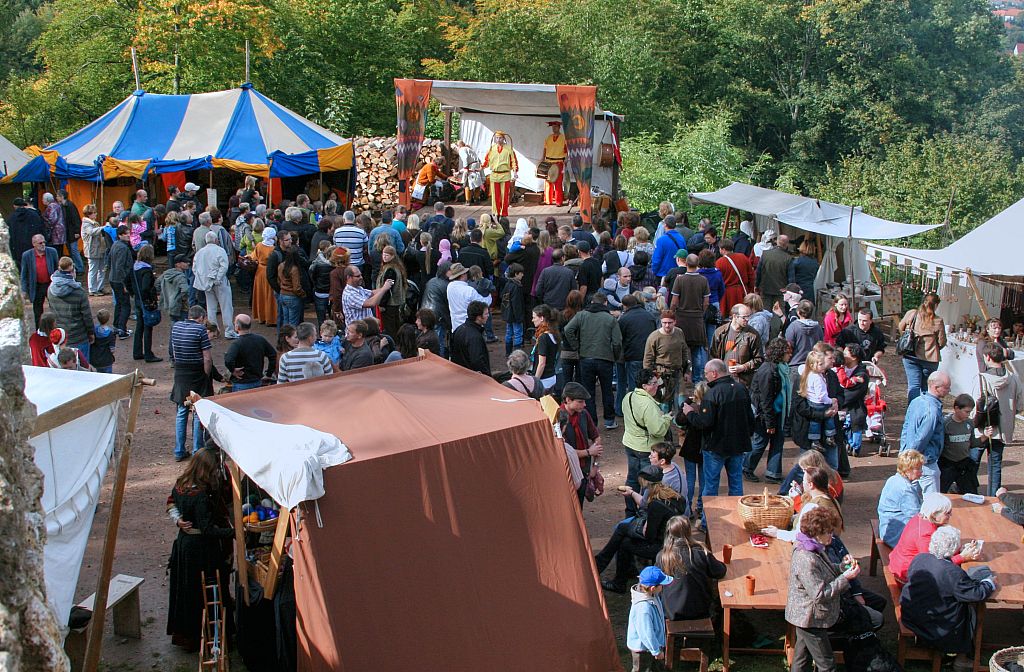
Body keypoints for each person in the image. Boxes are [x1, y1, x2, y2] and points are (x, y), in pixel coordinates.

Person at [900, 526, 996, 669]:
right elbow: (976, 594)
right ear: (954, 549)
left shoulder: (920, 558)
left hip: (911, 615)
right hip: (936, 626)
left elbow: (941, 567)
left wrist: (960, 554)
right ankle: (961, 659)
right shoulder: (953, 573)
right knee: (970, 610)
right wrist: (990, 583)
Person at [166, 449, 233, 652]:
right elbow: (207, 530)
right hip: (201, 551)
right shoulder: (201, 495)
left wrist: (178, 519)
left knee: (186, 591)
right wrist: (233, 532)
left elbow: (170, 503)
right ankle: (205, 637)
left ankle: (188, 636)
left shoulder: (181, 484)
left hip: (184, 546)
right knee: (204, 593)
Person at [786, 506, 860, 672]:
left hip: (807, 617)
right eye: (828, 532)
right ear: (816, 533)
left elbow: (824, 570)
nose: (831, 535)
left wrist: (842, 567)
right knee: (827, 665)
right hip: (810, 618)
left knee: (801, 659)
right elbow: (820, 594)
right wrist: (845, 578)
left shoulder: (814, 547)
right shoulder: (806, 557)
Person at [595, 466, 685, 593]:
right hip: (672, 540)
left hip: (662, 546)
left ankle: (614, 578)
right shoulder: (675, 496)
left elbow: (649, 536)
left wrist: (643, 528)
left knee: (624, 540)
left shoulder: (656, 504)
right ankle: (617, 573)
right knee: (623, 532)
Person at [681, 359, 754, 497]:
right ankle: (735, 517)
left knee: (711, 486)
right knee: (736, 484)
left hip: (716, 448)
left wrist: (689, 413)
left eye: (706, 373)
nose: (705, 376)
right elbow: (750, 417)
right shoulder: (741, 389)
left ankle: (707, 518)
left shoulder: (712, 394)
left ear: (714, 373)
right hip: (738, 446)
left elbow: (704, 422)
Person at [888, 493, 980, 583]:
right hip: (906, 575)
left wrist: (959, 548)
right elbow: (933, 566)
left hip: (901, 564)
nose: (950, 515)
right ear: (934, 515)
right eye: (947, 513)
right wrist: (962, 557)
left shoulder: (920, 517)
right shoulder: (925, 534)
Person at [970, 342, 1024, 495]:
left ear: (987, 357)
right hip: (1003, 429)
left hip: (983, 429)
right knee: (995, 465)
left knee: (972, 462)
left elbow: (976, 404)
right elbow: (1020, 403)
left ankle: (970, 492)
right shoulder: (1013, 378)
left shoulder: (981, 378)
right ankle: (994, 498)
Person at [564, 293, 622, 429]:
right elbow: (617, 342)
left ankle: (591, 422)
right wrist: (614, 355)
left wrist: (577, 346)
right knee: (607, 390)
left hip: (586, 358)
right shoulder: (610, 319)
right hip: (605, 359)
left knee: (588, 391)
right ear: (605, 303)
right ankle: (609, 420)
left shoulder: (582, 315)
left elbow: (568, 330)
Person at [656, 516, 726, 621]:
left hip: (671, 611)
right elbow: (720, 571)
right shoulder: (700, 553)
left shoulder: (663, 556)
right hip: (699, 610)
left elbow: (657, 581)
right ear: (688, 532)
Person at [622, 369, 674, 506]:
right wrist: (667, 419)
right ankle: (646, 510)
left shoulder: (628, 396)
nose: (657, 386)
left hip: (630, 444)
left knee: (632, 479)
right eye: (653, 383)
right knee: (648, 482)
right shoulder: (648, 404)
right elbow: (657, 430)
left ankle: (631, 511)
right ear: (644, 386)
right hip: (646, 449)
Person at [746, 338, 793, 484]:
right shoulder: (768, 371)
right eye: (787, 352)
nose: (790, 355)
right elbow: (765, 400)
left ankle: (773, 473)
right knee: (760, 443)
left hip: (777, 413)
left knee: (778, 442)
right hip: (764, 415)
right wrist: (769, 423)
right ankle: (747, 467)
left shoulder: (781, 368)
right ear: (780, 353)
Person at [170, 306, 213, 461]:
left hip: (181, 372)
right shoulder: (200, 330)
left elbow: (174, 352)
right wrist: (206, 375)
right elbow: (207, 358)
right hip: (196, 373)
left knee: (182, 410)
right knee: (197, 410)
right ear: (201, 317)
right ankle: (197, 450)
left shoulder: (175, 327)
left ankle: (179, 450)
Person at [900, 370, 951, 494]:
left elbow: (905, 429)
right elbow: (922, 438)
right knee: (932, 504)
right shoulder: (932, 411)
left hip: (911, 459)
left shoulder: (916, 401)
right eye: (947, 388)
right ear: (936, 387)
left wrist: (904, 453)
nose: (949, 391)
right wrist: (913, 459)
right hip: (924, 463)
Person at [558, 382, 603, 504]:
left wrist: (595, 466)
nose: (584, 404)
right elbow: (561, 450)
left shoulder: (583, 414)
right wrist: (588, 452)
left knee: (579, 504)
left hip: (584, 470)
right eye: (580, 401)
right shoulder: (558, 419)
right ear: (568, 400)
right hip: (566, 472)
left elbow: (596, 438)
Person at [898, 292, 947, 402]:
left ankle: (913, 410)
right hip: (930, 358)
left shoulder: (912, 314)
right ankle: (926, 410)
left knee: (913, 386)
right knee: (927, 388)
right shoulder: (938, 321)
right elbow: (942, 342)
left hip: (911, 355)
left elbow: (901, 327)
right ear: (936, 305)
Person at [669, 254, 709, 382]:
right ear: (698, 265)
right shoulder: (703, 280)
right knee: (697, 350)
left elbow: (674, 301)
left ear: (686, 263)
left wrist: (671, 313)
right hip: (697, 319)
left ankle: (680, 378)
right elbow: (706, 302)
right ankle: (698, 380)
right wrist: (701, 312)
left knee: (681, 349)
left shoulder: (680, 280)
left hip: (682, 319)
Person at [47, 255, 94, 360]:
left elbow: (52, 311)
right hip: (79, 337)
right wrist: (91, 333)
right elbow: (87, 316)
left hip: (61, 337)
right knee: (83, 369)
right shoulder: (79, 292)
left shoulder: (50, 289)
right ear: (72, 271)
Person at [627, 565, 673, 672]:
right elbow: (646, 633)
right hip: (643, 649)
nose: (663, 587)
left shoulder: (652, 595)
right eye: (662, 585)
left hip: (651, 646)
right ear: (653, 588)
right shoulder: (644, 609)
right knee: (642, 669)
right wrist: (656, 651)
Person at [642, 311, 690, 413]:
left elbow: (685, 352)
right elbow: (647, 360)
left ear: (674, 322)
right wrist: (651, 378)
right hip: (661, 376)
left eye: (669, 322)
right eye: (664, 323)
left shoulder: (679, 333)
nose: (667, 325)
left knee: (682, 404)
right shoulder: (654, 337)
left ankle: (681, 426)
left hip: (678, 374)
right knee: (664, 406)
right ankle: (664, 428)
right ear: (661, 322)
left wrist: (687, 371)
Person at [193, 232, 238, 339]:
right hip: (220, 282)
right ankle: (229, 331)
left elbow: (195, 269)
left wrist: (204, 279)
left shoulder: (199, 252)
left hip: (206, 283)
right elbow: (224, 266)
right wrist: (218, 278)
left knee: (211, 308)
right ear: (216, 240)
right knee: (226, 306)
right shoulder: (220, 250)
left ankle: (213, 331)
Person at [877, 449, 925, 546]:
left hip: (886, 527)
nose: (921, 472)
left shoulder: (893, 479)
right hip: (895, 535)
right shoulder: (905, 489)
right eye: (918, 469)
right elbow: (917, 518)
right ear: (908, 470)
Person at [940, 394, 986, 495]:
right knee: (941, 492)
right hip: (947, 464)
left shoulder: (969, 423)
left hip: (964, 464)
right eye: (966, 411)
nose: (968, 415)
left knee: (971, 492)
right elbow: (939, 445)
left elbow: (972, 443)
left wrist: (984, 436)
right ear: (956, 408)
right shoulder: (946, 424)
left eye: (970, 412)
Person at [709, 303, 764, 387]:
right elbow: (713, 356)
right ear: (735, 316)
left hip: (744, 382)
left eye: (749, 316)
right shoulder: (720, 332)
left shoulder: (752, 335)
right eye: (744, 317)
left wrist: (743, 367)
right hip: (723, 381)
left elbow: (759, 359)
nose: (747, 319)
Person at [224, 314, 277, 391]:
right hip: (257, 381)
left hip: (241, 383)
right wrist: (269, 374)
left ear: (237, 327)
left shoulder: (237, 343)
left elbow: (228, 360)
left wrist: (232, 370)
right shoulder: (260, 340)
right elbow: (273, 355)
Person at [20, 234, 59, 329]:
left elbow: (57, 269)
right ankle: (39, 332)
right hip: (36, 286)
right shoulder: (27, 255)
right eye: (40, 243)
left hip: (50, 285)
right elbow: (24, 275)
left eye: (44, 242)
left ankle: (57, 330)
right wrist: (24, 290)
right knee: (38, 312)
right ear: (34, 244)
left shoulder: (52, 252)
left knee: (56, 308)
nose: (43, 244)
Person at [157, 255, 191, 364]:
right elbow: (185, 290)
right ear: (178, 264)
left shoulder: (166, 274)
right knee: (182, 332)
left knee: (173, 331)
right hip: (181, 308)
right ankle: (180, 357)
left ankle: (172, 357)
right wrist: (180, 299)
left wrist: (165, 295)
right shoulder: (181, 276)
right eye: (185, 262)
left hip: (169, 306)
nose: (188, 263)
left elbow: (157, 284)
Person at [131, 245, 161, 362]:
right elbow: (145, 287)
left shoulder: (134, 267)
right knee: (148, 327)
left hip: (138, 300)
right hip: (146, 301)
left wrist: (133, 293)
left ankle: (137, 352)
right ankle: (148, 354)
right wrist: (150, 299)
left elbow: (128, 281)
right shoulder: (147, 271)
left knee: (140, 326)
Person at [481, 131, 518, 217]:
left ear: (503, 139)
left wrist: (515, 172)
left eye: (500, 138)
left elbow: (514, 161)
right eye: (497, 138)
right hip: (494, 175)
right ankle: (495, 212)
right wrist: (481, 167)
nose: (498, 139)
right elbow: (487, 160)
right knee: (495, 196)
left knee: (504, 195)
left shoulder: (509, 149)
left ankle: (503, 213)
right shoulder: (491, 148)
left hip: (505, 175)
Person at [446, 262, 492, 330]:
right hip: (470, 327)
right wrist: (489, 294)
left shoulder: (449, 287)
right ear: (463, 274)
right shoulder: (469, 290)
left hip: (455, 327)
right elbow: (485, 303)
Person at [716, 237, 755, 317]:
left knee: (729, 316)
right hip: (743, 291)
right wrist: (750, 290)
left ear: (723, 249)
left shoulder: (720, 262)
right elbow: (751, 276)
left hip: (727, 294)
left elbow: (718, 281)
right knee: (744, 314)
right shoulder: (743, 257)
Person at [450, 300, 491, 376]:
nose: (488, 315)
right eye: (486, 314)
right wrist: (488, 376)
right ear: (479, 317)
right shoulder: (475, 336)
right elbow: (477, 360)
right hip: (472, 378)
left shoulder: (459, 329)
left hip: (460, 374)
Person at [376, 245, 407, 336]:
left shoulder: (390, 270)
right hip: (395, 303)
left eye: (387, 255)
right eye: (383, 255)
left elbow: (388, 289)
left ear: (393, 256)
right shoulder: (396, 267)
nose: (384, 257)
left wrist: (382, 304)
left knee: (390, 328)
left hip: (390, 303)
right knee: (395, 325)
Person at [8, 197, 46, 270]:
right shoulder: (34, 215)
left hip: (17, 248)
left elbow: (9, 236)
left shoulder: (11, 218)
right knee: (34, 268)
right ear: (24, 205)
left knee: (22, 269)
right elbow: (41, 230)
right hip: (32, 246)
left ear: (14, 206)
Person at [756, 233, 791, 312]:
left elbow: (759, 272)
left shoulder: (765, 254)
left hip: (765, 288)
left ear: (777, 242)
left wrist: (756, 285)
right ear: (787, 244)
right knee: (778, 312)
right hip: (781, 290)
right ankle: (777, 324)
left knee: (765, 310)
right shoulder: (788, 258)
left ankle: (766, 324)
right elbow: (791, 277)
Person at [786, 300, 824, 369]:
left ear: (798, 312)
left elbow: (788, 346)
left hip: (795, 364)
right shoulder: (818, 328)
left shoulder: (793, 327)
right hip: (813, 365)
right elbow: (821, 345)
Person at [80, 204, 108, 295]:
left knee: (102, 269)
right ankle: (92, 289)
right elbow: (92, 232)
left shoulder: (94, 222)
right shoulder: (86, 224)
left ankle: (100, 287)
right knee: (93, 270)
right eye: (94, 212)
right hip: (92, 250)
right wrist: (104, 227)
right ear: (89, 214)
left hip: (99, 249)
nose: (96, 214)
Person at [502, 263, 526, 355]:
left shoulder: (507, 284)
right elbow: (517, 303)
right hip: (515, 315)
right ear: (516, 274)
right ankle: (517, 354)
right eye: (521, 273)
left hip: (508, 313)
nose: (522, 275)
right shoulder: (517, 286)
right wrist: (519, 316)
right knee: (518, 334)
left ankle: (508, 352)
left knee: (509, 333)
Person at [541, 120, 567, 206]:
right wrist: (542, 158)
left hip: (559, 162)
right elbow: (545, 148)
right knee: (548, 181)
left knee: (558, 183)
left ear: (559, 127)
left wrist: (566, 159)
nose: (554, 128)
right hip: (548, 162)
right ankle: (548, 200)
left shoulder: (564, 138)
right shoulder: (548, 137)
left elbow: (567, 150)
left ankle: (559, 201)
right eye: (553, 127)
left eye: (555, 127)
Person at [788, 239, 819, 308]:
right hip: (809, 289)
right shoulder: (815, 262)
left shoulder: (797, 261)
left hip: (798, 289)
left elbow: (791, 277)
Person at [91, 309, 116, 373]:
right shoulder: (110, 333)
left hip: (96, 360)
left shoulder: (94, 330)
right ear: (108, 319)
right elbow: (112, 349)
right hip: (107, 361)